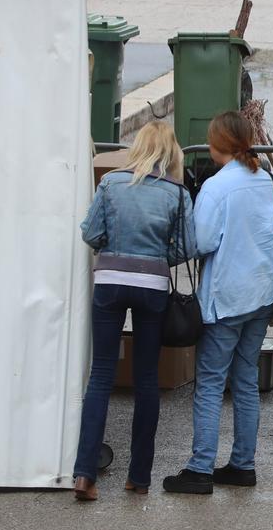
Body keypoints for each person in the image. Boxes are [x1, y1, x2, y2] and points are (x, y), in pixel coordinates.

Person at [163, 111, 273, 495]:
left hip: (227, 297)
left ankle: (200, 467)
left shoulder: (217, 188)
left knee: (211, 383)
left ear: (217, 145)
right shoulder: (267, 178)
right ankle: (242, 464)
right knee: (246, 380)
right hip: (262, 294)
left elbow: (200, 241)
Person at [74, 121, 194, 501]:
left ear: (137, 147)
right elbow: (187, 246)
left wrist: (114, 249)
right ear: (172, 152)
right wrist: (156, 257)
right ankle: (138, 477)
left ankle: (85, 475)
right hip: (152, 288)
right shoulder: (176, 193)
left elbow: (90, 233)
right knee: (146, 380)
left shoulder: (110, 183)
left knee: (101, 377)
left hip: (109, 282)